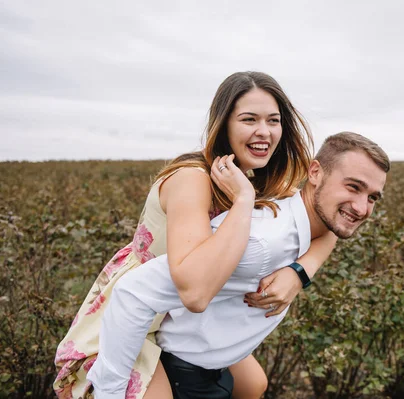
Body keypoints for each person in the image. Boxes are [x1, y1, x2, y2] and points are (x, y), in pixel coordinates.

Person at [54, 71, 337, 399]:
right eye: (249, 119)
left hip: (186, 317)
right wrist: (244, 201)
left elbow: (328, 224)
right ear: (224, 124)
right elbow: (194, 290)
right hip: (138, 314)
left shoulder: (253, 178)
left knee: (253, 386)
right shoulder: (194, 178)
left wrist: (299, 273)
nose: (264, 131)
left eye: (273, 121)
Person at [89, 132, 390, 399]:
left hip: (215, 367)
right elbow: (133, 293)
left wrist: (300, 272)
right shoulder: (259, 242)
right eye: (353, 187)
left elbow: (330, 233)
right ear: (314, 173)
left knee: (254, 384)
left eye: (373, 197)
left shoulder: (308, 215)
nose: (363, 208)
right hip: (181, 371)